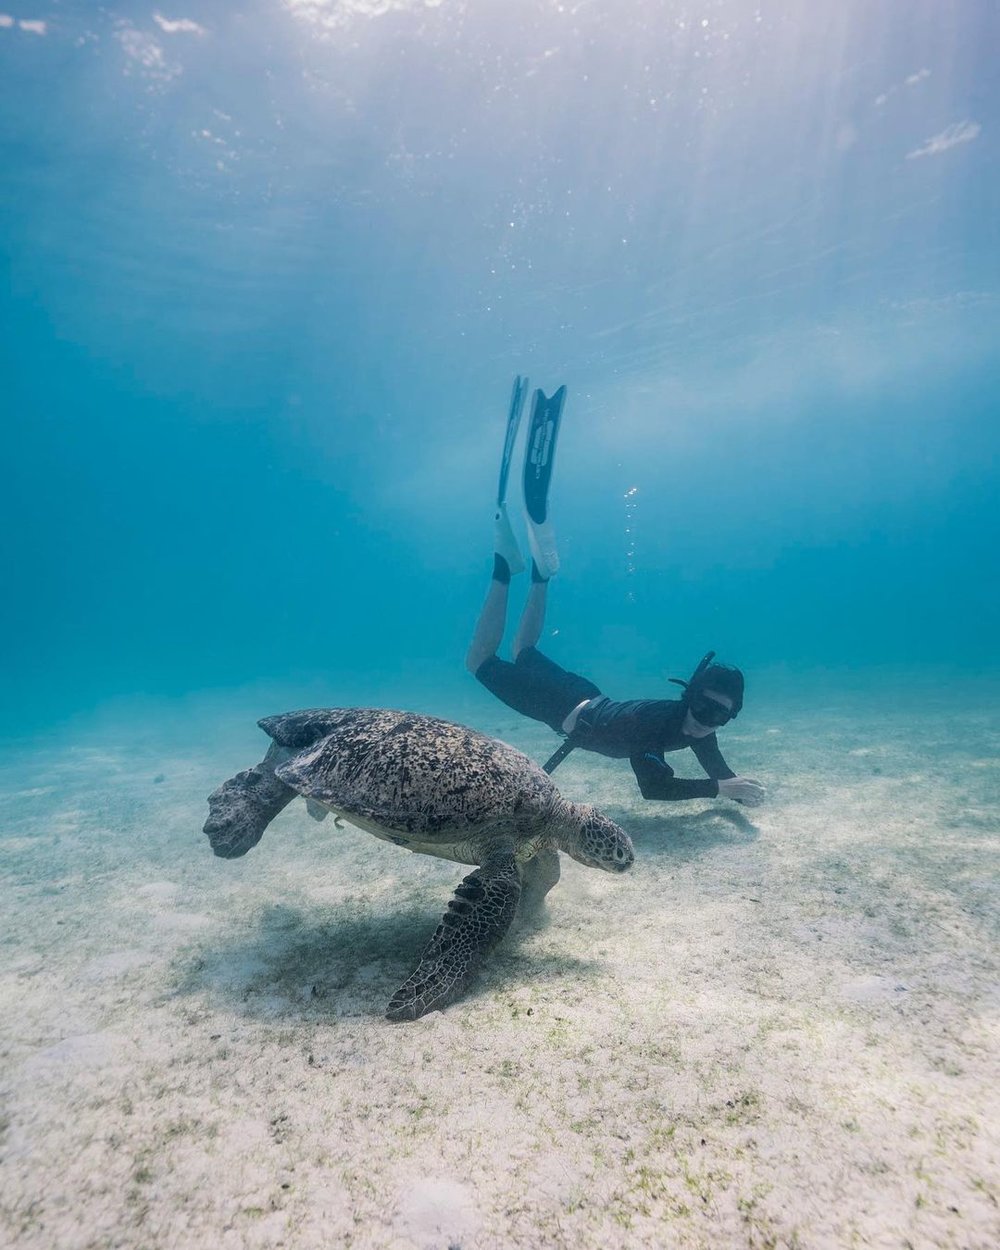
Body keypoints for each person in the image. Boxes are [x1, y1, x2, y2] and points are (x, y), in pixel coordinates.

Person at [465, 377, 766, 807]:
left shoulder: (696, 725)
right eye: (703, 709)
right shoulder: (661, 723)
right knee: (479, 661)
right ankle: (504, 570)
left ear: (729, 715)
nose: (707, 722)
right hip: (562, 706)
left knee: (523, 651)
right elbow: (654, 788)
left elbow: (717, 768)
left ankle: (540, 575)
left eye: (721, 715)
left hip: (582, 695)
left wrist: (735, 790)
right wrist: (720, 789)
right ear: (689, 698)